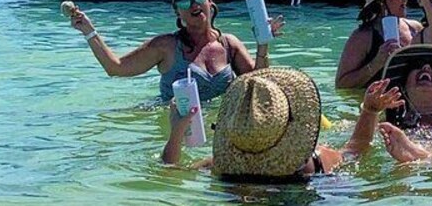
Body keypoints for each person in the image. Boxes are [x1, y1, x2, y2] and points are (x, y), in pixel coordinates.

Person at [70, 0, 282, 102]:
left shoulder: (229, 44)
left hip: (216, 126)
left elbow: (260, 83)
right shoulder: (166, 47)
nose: (193, 4)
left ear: (210, 1)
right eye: (183, 1)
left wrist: (263, 42)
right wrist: (89, 31)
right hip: (174, 124)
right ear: (177, 13)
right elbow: (115, 68)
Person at [163, 68, 404, 178]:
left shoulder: (223, 166)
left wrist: (177, 132)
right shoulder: (315, 162)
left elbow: (171, 171)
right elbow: (356, 148)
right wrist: (370, 110)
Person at [335, 0, 423, 89]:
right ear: (381, 0)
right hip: (377, 106)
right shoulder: (363, 37)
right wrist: (376, 64)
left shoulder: (415, 28)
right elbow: (341, 84)